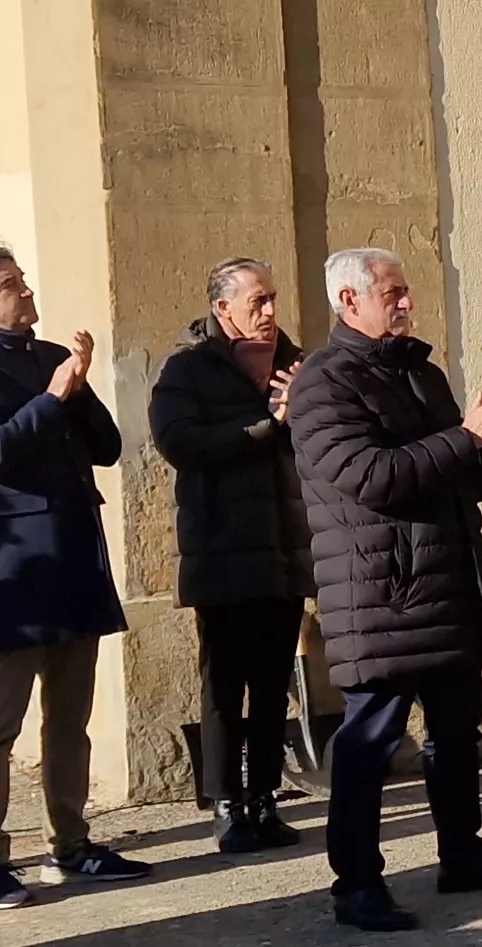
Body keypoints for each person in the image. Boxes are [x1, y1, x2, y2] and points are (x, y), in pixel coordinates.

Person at [291, 246, 482, 931]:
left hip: (445, 583)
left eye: (407, 291)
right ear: (349, 302)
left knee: (457, 731)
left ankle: (462, 856)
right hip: (379, 591)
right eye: (392, 292)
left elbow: (467, 480)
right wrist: (468, 435)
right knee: (369, 740)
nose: (406, 303)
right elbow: (373, 478)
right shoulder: (323, 383)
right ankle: (356, 884)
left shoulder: (421, 373)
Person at [0, 242, 151, 911]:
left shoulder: (51, 357)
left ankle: (72, 843)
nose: (25, 292)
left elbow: (106, 448)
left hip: (74, 557)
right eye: (9, 284)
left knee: (70, 718)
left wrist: (76, 386)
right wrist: (54, 398)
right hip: (12, 570)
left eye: (22, 280)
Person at [149, 257, 314, 853]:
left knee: (274, 684)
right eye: (256, 303)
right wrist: (268, 426)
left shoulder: (298, 366)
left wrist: (305, 412)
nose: (269, 312)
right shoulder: (188, 370)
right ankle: (225, 804)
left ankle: (265, 799)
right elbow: (180, 443)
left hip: (285, 549)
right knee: (224, 682)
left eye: (272, 299)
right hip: (221, 552)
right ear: (223, 310)